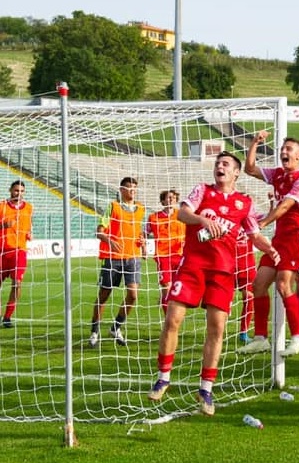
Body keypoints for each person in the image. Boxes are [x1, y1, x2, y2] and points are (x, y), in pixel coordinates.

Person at [148, 152, 279, 416]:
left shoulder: (244, 203)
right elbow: (182, 214)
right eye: (218, 163)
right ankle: (163, 377)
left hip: (222, 272)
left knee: (216, 328)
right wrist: (202, 219)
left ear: (236, 173)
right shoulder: (201, 191)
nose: (220, 166)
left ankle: (206, 388)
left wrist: (271, 249)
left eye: (226, 164)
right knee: (172, 318)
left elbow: (254, 234)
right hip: (193, 266)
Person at [238, 130, 299, 356]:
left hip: (295, 238)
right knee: (258, 285)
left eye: (289, 149)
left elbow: (286, 206)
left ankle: (297, 338)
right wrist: (255, 142)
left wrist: (263, 223)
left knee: (283, 285)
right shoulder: (278, 174)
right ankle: (261, 338)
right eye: (282, 149)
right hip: (279, 239)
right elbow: (249, 168)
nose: (283, 152)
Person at [89, 177, 145, 347]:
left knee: (133, 295)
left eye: (134, 187)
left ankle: (116, 327)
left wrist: (142, 243)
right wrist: (108, 239)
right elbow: (99, 231)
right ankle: (94, 331)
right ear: (121, 190)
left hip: (132, 257)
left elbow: (138, 232)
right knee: (104, 295)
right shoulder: (113, 207)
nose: (132, 190)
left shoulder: (141, 209)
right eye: (129, 187)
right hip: (113, 258)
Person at [145, 190, 185, 314]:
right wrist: (144, 249)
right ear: (162, 201)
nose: (171, 200)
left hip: (180, 255)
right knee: (166, 288)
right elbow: (144, 234)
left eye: (173, 198)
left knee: (177, 289)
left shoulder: (182, 215)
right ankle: (168, 319)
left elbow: (191, 233)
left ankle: (168, 306)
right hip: (163, 256)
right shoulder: (153, 217)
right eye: (168, 198)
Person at [0, 180, 32, 328]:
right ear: (10, 190)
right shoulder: (2, 206)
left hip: (20, 251)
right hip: (2, 251)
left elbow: (28, 225)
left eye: (21, 191)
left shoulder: (29, 208)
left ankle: (7, 316)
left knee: (17, 283)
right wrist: (3, 225)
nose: (19, 194)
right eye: (16, 190)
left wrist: (29, 233)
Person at [234, 230, 256, 344]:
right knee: (221, 301)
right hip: (228, 264)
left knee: (249, 298)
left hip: (247, 266)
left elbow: (265, 219)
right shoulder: (226, 218)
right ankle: (215, 330)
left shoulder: (251, 220)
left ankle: (244, 332)